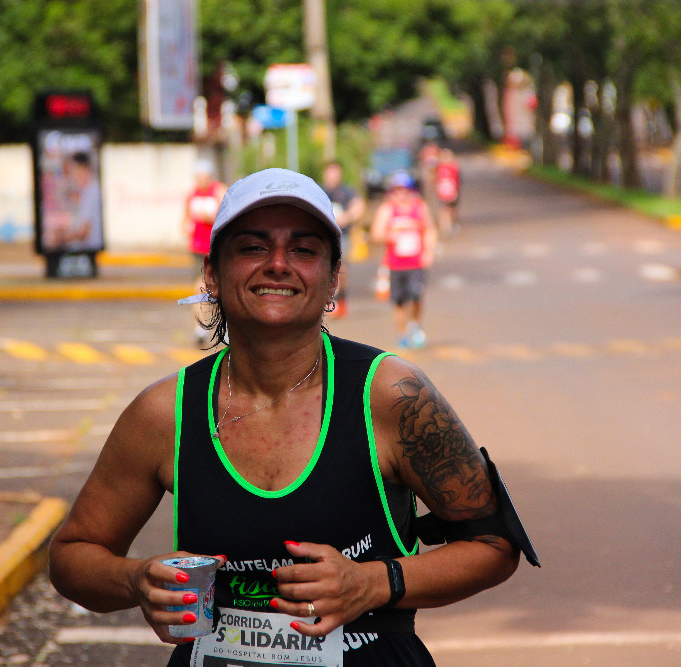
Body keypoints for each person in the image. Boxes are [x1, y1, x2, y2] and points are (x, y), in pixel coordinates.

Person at [50, 167, 536, 666]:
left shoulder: (390, 396)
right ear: (212, 274)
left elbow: (493, 544)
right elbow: (72, 554)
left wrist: (373, 582)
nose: (278, 264)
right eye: (253, 247)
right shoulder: (165, 413)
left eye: (304, 250)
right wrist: (135, 581)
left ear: (332, 280)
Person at [369, 170, 438, 349]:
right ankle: (403, 334)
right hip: (395, 264)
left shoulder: (420, 207)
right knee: (399, 302)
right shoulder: (387, 210)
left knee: (416, 295)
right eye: (397, 190)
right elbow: (376, 234)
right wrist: (389, 235)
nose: (401, 194)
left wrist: (428, 252)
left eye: (405, 189)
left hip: (416, 262)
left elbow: (430, 229)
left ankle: (414, 325)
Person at [182, 158, 226, 346]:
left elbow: (226, 213)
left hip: (217, 246)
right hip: (198, 248)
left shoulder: (218, 190)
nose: (200, 179)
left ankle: (226, 329)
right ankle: (199, 327)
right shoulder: (192, 194)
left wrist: (211, 216)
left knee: (223, 288)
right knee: (200, 286)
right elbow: (185, 219)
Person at [321, 160, 364, 318]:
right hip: (324, 236)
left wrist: (347, 217)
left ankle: (340, 299)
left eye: (336, 173)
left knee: (341, 268)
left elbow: (359, 207)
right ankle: (328, 301)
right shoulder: (319, 191)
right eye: (330, 173)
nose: (333, 177)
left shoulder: (346, 191)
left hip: (341, 236)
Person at [434, 148, 461, 237]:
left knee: (452, 209)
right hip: (442, 192)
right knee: (443, 209)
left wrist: (456, 191)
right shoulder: (438, 167)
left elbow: (457, 180)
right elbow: (436, 180)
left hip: (452, 191)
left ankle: (452, 224)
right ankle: (445, 227)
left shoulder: (453, 167)